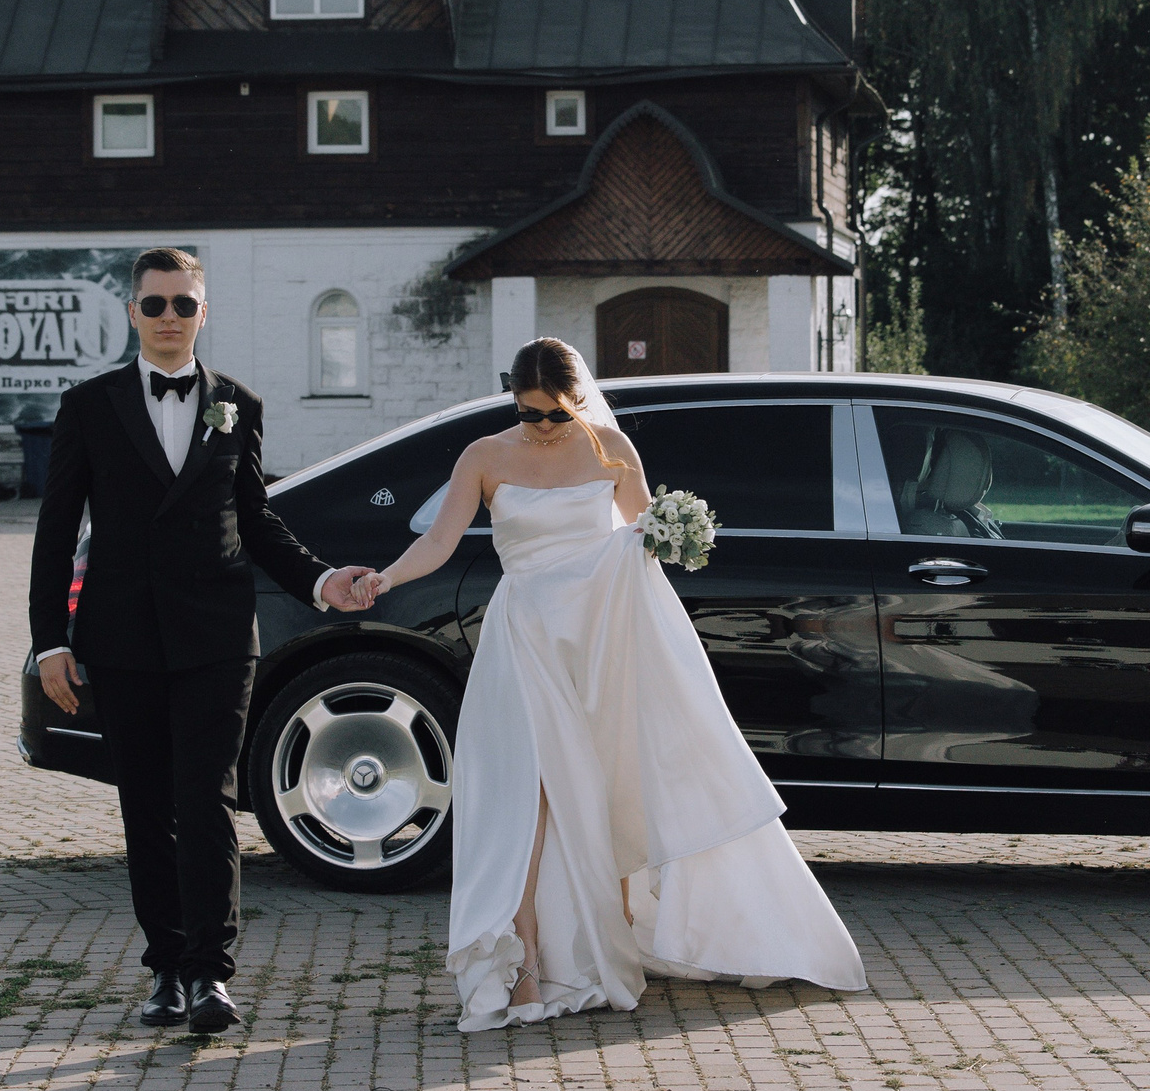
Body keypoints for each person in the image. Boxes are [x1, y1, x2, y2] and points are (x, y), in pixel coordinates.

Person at [362, 337, 866, 1030]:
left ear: (577, 400)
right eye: (528, 412)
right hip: (528, 635)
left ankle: (618, 926)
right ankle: (525, 961)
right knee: (528, 796)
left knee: (601, 781)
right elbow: (441, 540)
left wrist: (677, 535)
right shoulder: (483, 455)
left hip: (599, 630)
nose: (541, 427)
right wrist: (385, 577)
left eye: (555, 415)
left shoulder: (609, 446)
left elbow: (643, 532)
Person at [28, 248, 375, 1034]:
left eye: (184, 304)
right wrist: (51, 639)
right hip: (120, 640)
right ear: (132, 314)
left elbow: (255, 519)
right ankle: (166, 970)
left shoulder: (238, 403)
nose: (169, 318)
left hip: (218, 638)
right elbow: (56, 532)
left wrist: (322, 582)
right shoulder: (89, 405)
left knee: (208, 799)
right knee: (146, 807)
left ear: (204, 313)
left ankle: (212, 975)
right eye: (154, 305)